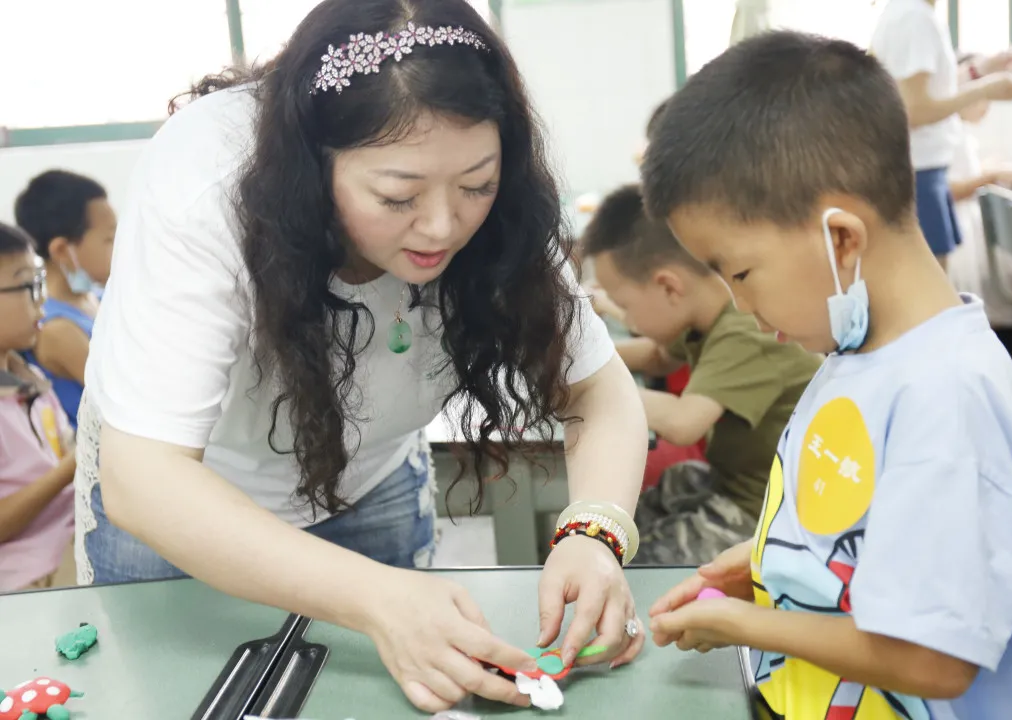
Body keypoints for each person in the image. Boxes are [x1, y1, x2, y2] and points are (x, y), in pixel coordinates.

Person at [75, 0, 648, 713]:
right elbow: (146, 479)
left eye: (476, 184)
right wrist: (378, 598)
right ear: (313, 170)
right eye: (397, 195)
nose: (443, 226)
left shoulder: (505, 213)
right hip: (184, 513)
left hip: (366, 482)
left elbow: (599, 393)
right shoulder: (207, 187)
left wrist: (592, 533)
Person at [641, 31, 1012, 718]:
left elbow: (932, 658)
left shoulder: (943, 394)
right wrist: (764, 568)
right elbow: (860, 530)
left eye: (740, 272)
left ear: (840, 238)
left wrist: (745, 626)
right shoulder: (854, 352)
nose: (740, 304)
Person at [580, 184, 820, 565]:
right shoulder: (707, 315)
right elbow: (657, 358)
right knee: (637, 513)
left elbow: (683, 423)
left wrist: (587, 390)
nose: (623, 313)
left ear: (668, 286)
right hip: (736, 480)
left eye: (624, 303)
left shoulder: (745, 330)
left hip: (773, 512)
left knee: (637, 563)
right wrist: (575, 365)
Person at [870, 0, 1012, 271]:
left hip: (922, 174)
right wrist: (985, 90)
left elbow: (929, 90)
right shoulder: (915, 17)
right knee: (932, 298)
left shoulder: (909, 13)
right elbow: (915, 110)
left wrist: (984, 68)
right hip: (920, 176)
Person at [0, 222, 77, 593]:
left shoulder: (27, 377)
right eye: (29, 286)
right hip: (29, 578)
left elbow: (66, 447)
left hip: (70, 539)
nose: (42, 301)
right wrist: (73, 467)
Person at [15, 170, 117, 430]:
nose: (119, 247)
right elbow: (124, 395)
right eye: (109, 238)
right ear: (62, 249)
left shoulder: (96, 297)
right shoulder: (55, 329)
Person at [946, 52, 1012, 330]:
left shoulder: (955, 130)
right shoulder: (946, 131)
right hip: (961, 243)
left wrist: (985, 170)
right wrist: (988, 176)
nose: (987, 107)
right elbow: (947, 189)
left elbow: (959, 171)